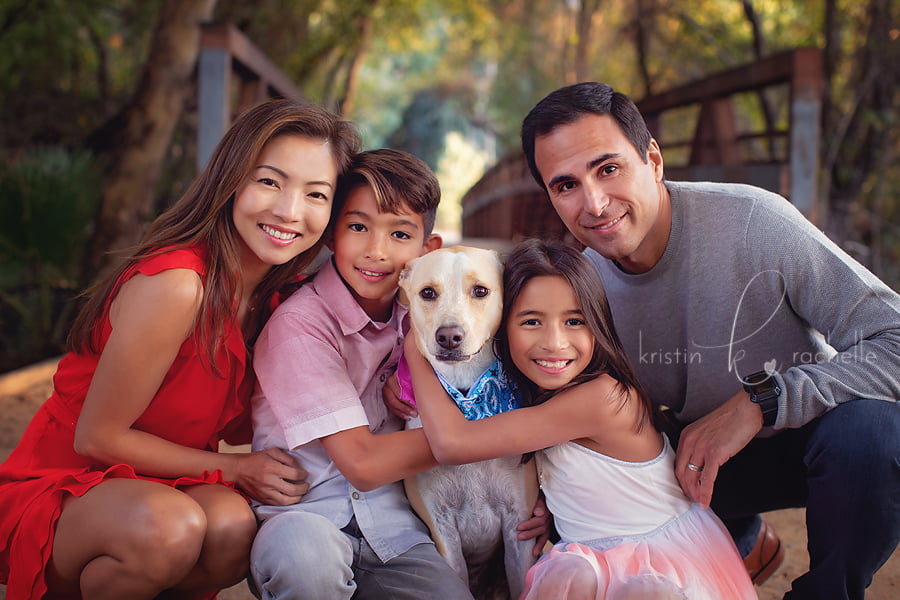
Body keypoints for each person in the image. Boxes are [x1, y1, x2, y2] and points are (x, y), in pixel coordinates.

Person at [519, 81, 900, 598]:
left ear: (652, 159)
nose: (595, 202)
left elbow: (893, 336)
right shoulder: (577, 290)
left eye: (608, 168)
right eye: (565, 185)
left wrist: (761, 403)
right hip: (689, 468)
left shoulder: (753, 222)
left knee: (875, 430)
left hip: (807, 439)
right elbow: (561, 409)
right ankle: (737, 542)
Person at [0, 98, 361, 600]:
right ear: (232, 180)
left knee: (234, 531)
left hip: (165, 483)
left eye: (316, 194)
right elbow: (97, 438)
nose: (289, 211)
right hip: (68, 484)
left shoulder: (274, 302)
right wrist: (237, 469)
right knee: (171, 530)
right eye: (270, 181)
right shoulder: (178, 283)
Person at [248, 149, 549, 600]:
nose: (376, 250)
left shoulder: (421, 313)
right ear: (332, 234)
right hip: (306, 515)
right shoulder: (300, 326)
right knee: (307, 566)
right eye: (358, 227)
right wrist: (507, 435)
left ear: (425, 254)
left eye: (400, 233)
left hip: (394, 525)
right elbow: (364, 465)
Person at [404, 238, 757, 599]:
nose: (554, 342)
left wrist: (415, 350)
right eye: (531, 321)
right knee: (570, 575)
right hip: (591, 556)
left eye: (574, 321)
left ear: (598, 324)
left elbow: (453, 443)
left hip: (657, 563)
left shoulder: (601, 399)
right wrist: (549, 509)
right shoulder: (531, 394)